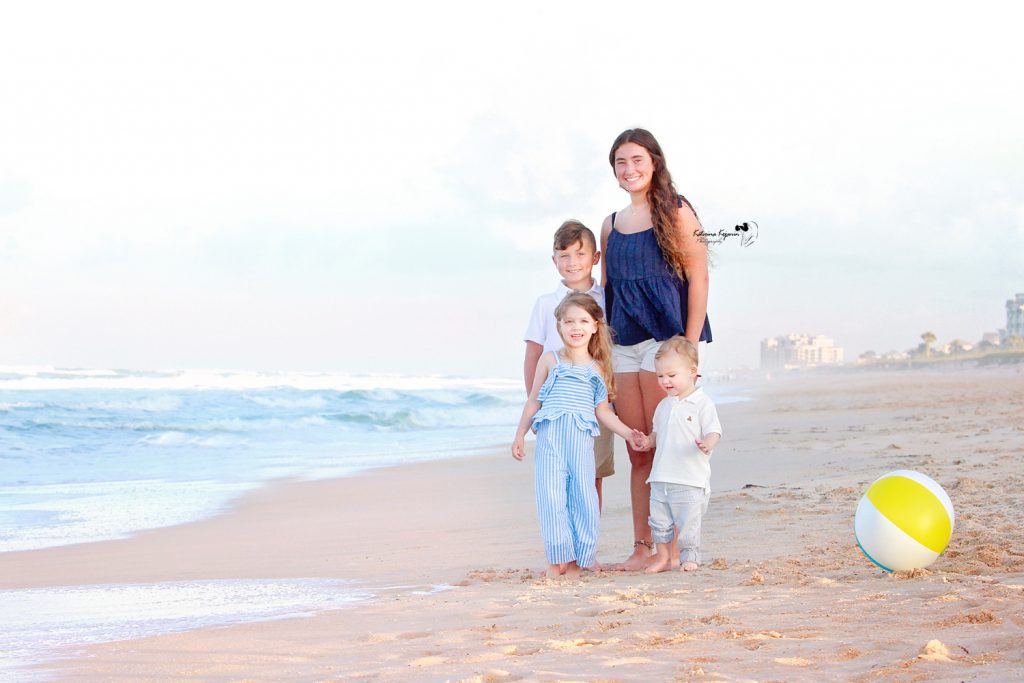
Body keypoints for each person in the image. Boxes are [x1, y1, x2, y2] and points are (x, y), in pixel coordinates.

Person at [601, 128, 713, 571]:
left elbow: (700, 276)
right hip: (623, 346)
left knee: (666, 447)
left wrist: (687, 344)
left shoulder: (679, 211)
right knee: (639, 449)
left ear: (654, 163)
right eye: (620, 163)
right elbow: (609, 291)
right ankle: (642, 545)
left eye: (636, 160)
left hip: (664, 342)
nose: (629, 170)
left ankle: (671, 548)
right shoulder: (610, 224)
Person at [512, 292, 645, 578]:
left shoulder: (597, 368)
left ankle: (579, 559)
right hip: (550, 441)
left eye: (583, 321)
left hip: (582, 443)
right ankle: (557, 558)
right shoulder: (550, 360)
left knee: (582, 498)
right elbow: (535, 400)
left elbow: (603, 411)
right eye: (569, 321)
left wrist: (628, 433)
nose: (576, 327)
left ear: (595, 326)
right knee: (551, 498)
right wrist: (520, 434)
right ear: (559, 326)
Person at [523, 220, 616, 510]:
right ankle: (565, 546)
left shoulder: (607, 299)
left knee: (591, 478)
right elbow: (533, 355)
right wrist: (534, 405)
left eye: (580, 254)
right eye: (564, 256)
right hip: (556, 409)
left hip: (595, 405)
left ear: (596, 258)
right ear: (554, 260)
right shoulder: (545, 304)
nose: (572, 263)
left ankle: (587, 551)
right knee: (558, 478)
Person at [633, 336, 721, 573]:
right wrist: (647, 440)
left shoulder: (702, 403)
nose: (665, 381)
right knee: (659, 523)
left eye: (672, 375)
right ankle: (663, 558)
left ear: (692, 372)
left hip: (690, 479)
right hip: (661, 477)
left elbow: (714, 430)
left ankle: (689, 556)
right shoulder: (664, 405)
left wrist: (707, 443)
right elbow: (657, 434)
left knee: (688, 523)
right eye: (660, 376)